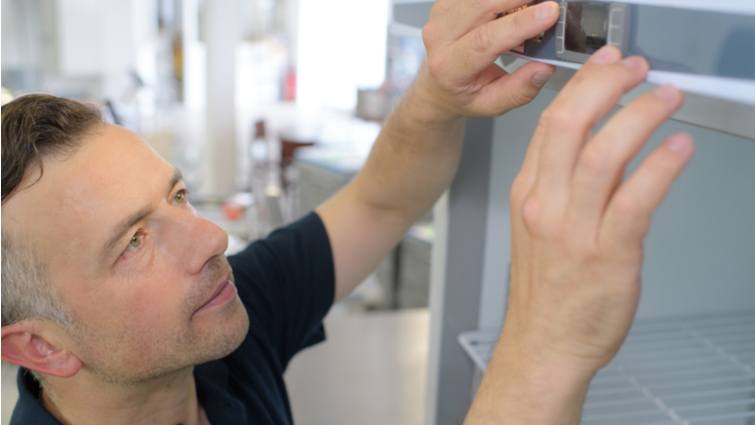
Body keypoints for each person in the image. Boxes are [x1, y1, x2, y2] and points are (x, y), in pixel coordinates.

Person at [1, 1, 694, 424]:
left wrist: (436, 88)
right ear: (41, 346)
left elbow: (380, 199)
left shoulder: (220, 331)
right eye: (134, 241)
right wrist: (545, 350)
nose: (210, 237)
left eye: (175, 195)